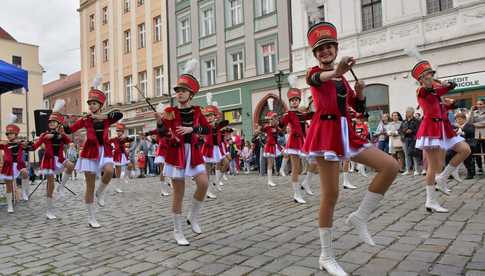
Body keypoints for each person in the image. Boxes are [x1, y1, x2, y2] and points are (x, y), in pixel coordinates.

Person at [304, 22, 399, 275]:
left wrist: (359, 92)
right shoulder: (314, 73)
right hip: (326, 134)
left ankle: (360, 216)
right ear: (315, 55)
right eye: (320, 49)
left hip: (347, 133)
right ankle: (326, 256)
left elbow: (358, 110)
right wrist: (336, 71)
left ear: (336, 48)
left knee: (391, 166)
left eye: (328, 47)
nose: (324, 51)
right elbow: (319, 78)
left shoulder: (343, 79)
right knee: (331, 195)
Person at [154, 63, 210, 246]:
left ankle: (193, 216)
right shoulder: (171, 112)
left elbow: (207, 129)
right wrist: (159, 122)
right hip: (176, 154)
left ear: (191, 94)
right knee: (179, 193)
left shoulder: (197, 111)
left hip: (193, 153)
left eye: (183, 90)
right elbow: (162, 134)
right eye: (177, 90)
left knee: (203, 183)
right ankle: (177, 231)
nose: (179, 93)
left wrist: (191, 128)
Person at [412, 60, 471, 212]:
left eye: (431, 74)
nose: (430, 77)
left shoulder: (435, 91)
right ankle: (431, 201)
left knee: (465, 149)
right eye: (427, 75)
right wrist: (444, 86)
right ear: (420, 79)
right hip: (431, 129)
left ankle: (443, 177)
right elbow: (429, 91)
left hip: (443, 127)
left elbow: (440, 103)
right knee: (434, 166)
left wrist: (449, 99)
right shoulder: (421, 91)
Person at [63, 85, 123, 228]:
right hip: (90, 152)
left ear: (100, 105)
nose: (91, 106)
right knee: (89, 186)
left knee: (109, 171)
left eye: (94, 103)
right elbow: (69, 130)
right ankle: (91, 218)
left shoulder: (107, 119)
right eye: (89, 104)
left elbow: (119, 114)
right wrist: (66, 122)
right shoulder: (85, 120)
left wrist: (102, 116)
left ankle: (100, 192)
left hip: (105, 150)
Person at [31, 105, 75, 219]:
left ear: (58, 124)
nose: (51, 124)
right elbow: (35, 146)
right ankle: (49, 210)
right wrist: (27, 145)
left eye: (54, 122)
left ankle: (61, 187)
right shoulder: (45, 135)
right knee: (50, 184)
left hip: (60, 159)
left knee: (71, 166)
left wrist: (71, 145)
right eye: (50, 122)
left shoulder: (61, 135)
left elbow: (69, 141)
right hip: (48, 161)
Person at [279, 85, 314, 203]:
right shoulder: (289, 114)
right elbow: (281, 125)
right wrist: (281, 119)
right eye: (292, 100)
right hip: (293, 142)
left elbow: (310, 115)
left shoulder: (301, 114)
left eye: (296, 100)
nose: (294, 102)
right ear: (290, 102)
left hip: (302, 142)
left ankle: (306, 182)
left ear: (299, 101)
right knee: (296, 168)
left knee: (313, 163)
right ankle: (296, 194)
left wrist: (314, 108)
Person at [0, 114, 31, 213]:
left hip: (19, 165)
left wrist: (25, 143)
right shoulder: (5, 144)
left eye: (11, 134)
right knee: (9, 185)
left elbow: (30, 145)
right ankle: (10, 205)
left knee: (25, 173)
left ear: (16, 134)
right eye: (7, 134)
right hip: (8, 166)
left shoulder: (20, 143)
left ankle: (24, 192)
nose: (9, 136)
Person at [200, 101, 228, 198]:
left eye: (211, 115)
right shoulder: (205, 126)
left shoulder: (217, 125)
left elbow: (223, 125)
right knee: (207, 171)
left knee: (225, 162)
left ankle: (217, 181)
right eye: (207, 116)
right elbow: (201, 134)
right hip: (208, 149)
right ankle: (207, 191)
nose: (209, 117)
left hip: (217, 148)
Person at [109, 123, 133, 193]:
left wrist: (127, 138)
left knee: (130, 166)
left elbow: (131, 140)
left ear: (122, 132)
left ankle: (125, 177)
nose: (118, 132)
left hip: (124, 155)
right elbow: (108, 143)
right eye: (117, 131)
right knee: (118, 172)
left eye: (120, 131)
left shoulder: (124, 138)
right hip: (117, 155)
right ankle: (117, 187)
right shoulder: (114, 138)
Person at [262, 109, 282, 187]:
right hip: (269, 146)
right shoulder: (267, 127)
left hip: (274, 146)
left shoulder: (275, 127)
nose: (275, 119)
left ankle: (279, 172)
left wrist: (277, 125)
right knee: (270, 164)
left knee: (272, 163)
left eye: (275, 118)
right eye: (273, 118)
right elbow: (261, 130)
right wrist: (270, 122)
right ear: (270, 119)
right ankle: (269, 181)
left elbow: (281, 133)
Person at [399, 107, 422, 176]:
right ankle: (408, 169)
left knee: (414, 154)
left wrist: (412, 131)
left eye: (407, 112)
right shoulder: (404, 121)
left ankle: (417, 170)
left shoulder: (416, 121)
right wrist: (404, 131)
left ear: (412, 112)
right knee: (406, 155)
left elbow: (419, 130)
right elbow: (399, 130)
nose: (406, 113)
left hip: (413, 139)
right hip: (405, 139)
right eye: (406, 112)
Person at [452, 113, 476, 179]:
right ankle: (450, 172)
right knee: (448, 154)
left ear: (464, 119)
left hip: (468, 143)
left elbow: (470, 133)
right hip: (457, 144)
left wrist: (461, 128)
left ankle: (470, 172)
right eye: (457, 119)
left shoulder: (469, 125)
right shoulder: (454, 126)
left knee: (466, 153)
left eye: (460, 119)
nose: (458, 121)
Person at [469, 100, 485, 174]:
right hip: (476, 135)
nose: (479, 106)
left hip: (484, 134)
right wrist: (471, 111)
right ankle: (480, 168)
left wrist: (475, 124)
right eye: (478, 104)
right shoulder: (475, 113)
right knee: (477, 152)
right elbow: (469, 122)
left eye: (480, 104)